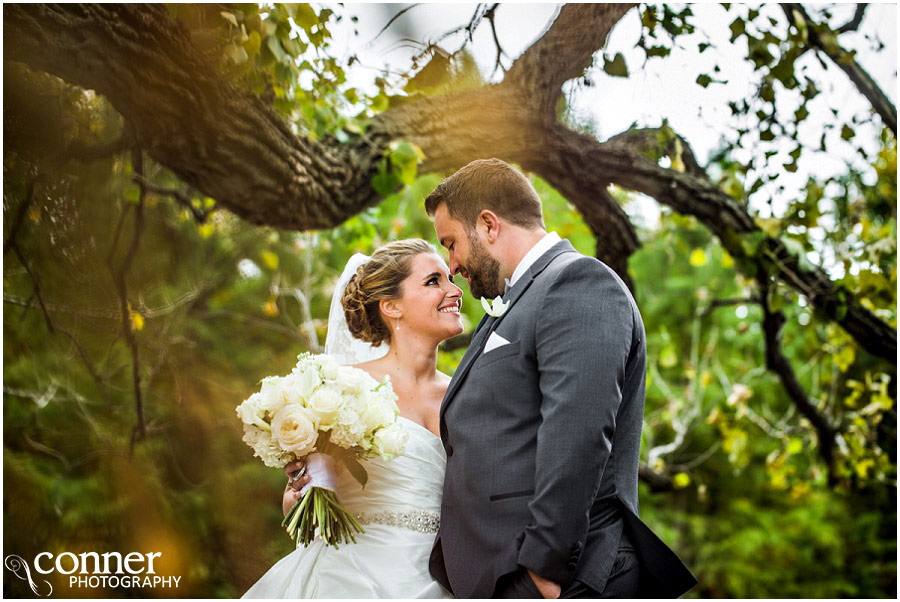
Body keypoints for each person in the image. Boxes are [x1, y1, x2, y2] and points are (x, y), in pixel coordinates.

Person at [425, 158, 697, 598]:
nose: (452, 264)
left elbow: (580, 434)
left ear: (489, 225)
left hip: (565, 580)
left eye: (451, 243)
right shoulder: (517, 302)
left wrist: (542, 574)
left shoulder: (577, 282)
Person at [242, 239, 463, 598]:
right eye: (434, 281)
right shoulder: (342, 388)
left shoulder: (466, 394)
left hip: (447, 576)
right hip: (350, 575)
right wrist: (307, 487)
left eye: (451, 279)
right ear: (391, 306)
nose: (455, 291)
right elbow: (295, 505)